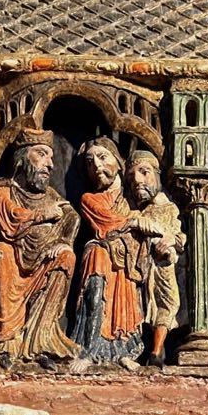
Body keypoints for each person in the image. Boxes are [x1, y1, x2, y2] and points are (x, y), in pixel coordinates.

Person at [0, 129, 80, 365]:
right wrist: (42, 215)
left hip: (43, 260)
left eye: (52, 158)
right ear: (24, 157)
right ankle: (6, 342)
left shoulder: (51, 195)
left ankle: (40, 341)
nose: (50, 165)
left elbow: (72, 217)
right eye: (42, 154)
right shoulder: (2, 191)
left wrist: (63, 243)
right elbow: (10, 220)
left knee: (66, 258)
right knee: (1, 254)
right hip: (14, 260)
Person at [72, 136, 148, 368]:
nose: (96, 165)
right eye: (89, 161)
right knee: (95, 294)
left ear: (118, 160)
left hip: (127, 260)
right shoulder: (88, 199)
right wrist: (135, 221)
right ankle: (88, 350)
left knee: (125, 303)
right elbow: (109, 223)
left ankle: (123, 351)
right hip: (101, 253)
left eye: (102, 157)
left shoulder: (133, 197)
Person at [124, 149, 185, 368]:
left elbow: (179, 235)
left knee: (169, 304)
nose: (137, 181)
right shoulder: (135, 210)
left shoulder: (169, 207)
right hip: (143, 265)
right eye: (131, 177)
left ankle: (156, 352)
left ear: (157, 174)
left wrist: (171, 240)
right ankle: (148, 350)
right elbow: (135, 224)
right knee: (147, 305)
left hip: (165, 264)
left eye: (144, 172)